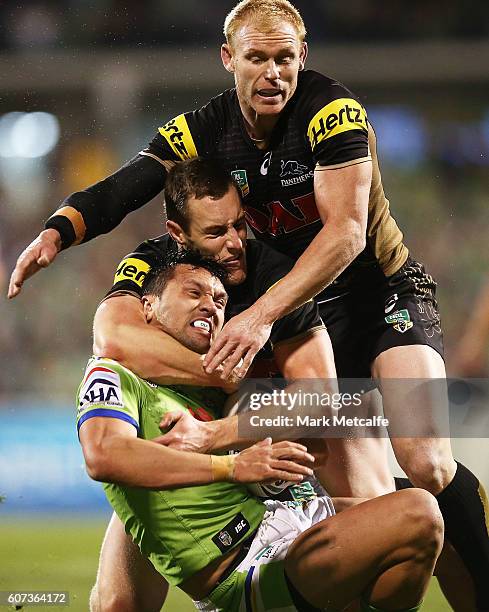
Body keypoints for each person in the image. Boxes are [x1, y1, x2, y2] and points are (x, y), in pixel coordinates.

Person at [8, 0, 489, 605]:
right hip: (289, 307)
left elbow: (344, 234)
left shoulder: (332, 113)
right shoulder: (201, 150)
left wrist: (257, 321)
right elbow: (133, 181)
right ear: (227, 59)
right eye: (256, 58)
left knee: (427, 466)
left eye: (284, 58)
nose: (272, 73)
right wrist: (60, 229)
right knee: (122, 594)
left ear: (302, 58)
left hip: (377, 296)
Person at [91, 156, 395, 612]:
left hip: (264, 421)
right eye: (215, 233)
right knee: (118, 604)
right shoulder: (153, 264)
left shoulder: (276, 274)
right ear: (179, 234)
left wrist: (223, 429)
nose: (234, 243)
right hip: (182, 427)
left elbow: (321, 396)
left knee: (358, 433)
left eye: (239, 225)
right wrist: (221, 373)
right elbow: (112, 339)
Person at [78, 250, 444, 612]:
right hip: (245, 565)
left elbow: (314, 448)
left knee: (412, 533)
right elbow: (105, 455)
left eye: (220, 301)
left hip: (284, 520)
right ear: (149, 306)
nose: (210, 306)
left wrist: (273, 458)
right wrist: (234, 467)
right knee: (418, 513)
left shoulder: (218, 387)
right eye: (194, 293)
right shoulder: (113, 374)